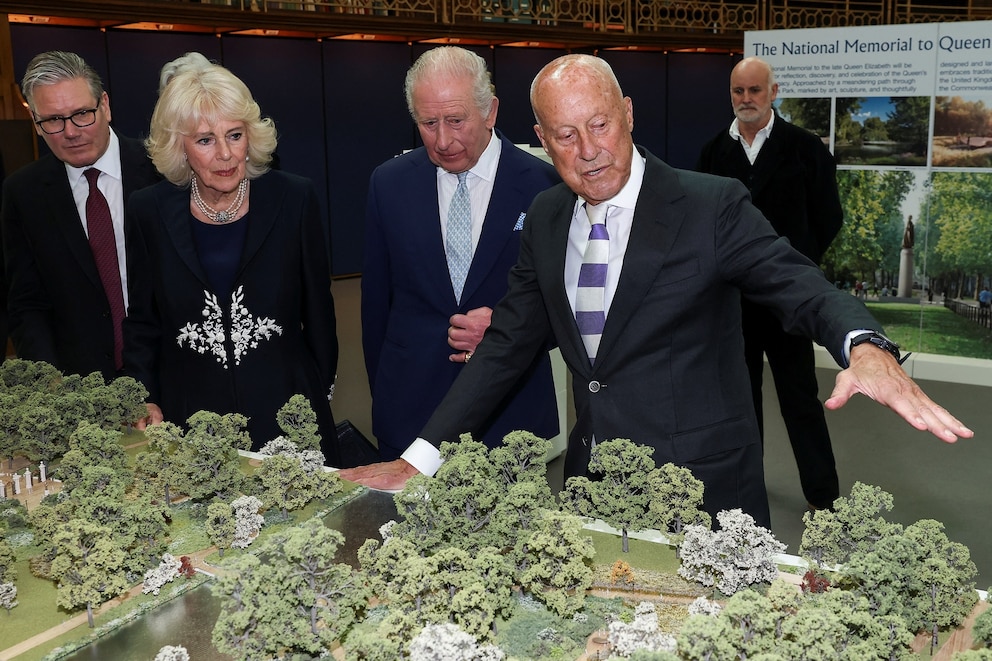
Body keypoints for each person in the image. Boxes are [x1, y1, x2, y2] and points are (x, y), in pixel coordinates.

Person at [340, 54, 972, 528]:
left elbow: (800, 285)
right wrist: (418, 459)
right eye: (565, 135)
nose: (588, 151)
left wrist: (863, 344)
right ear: (539, 133)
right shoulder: (548, 217)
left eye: (600, 125)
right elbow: (505, 346)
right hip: (593, 488)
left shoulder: (710, 205)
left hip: (702, 490)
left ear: (629, 114)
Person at [124, 54, 341, 462]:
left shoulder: (294, 197)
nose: (225, 154)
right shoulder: (147, 210)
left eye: (235, 135)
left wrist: (317, 391)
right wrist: (145, 397)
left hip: (285, 410)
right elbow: (142, 322)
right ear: (180, 148)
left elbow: (318, 309)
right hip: (192, 417)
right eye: (205, 140)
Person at [362, 46, 560, 460]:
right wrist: (385, 398)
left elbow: (569, 308)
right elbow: (376, 309)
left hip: (510, 414)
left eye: (455, 120)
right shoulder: (389, 184)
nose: (443, 140)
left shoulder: (546, 186)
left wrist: (507, 329)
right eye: (428, 123)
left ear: (490, 112)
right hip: (410, 411)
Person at [695, 56, 842, 511]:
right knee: (740, 404)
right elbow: (700, 223)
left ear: (773, 93)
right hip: (732, 304)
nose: (746, 100)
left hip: (787, 303)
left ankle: (825, 497)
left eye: (755, 91)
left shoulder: (805, 148)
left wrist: (797, 265)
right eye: (738, 91)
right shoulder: (713, 152)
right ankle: (745, 493)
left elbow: (829, 216)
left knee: (800, 399)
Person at [1, 51, 160, 380]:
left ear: (105, 105)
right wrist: (49, 382)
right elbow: (26, 302)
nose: (70, 132)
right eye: (53, 120)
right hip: (79, 387)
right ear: (37, 124)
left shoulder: (163, 170)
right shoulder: (23, 193)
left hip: (171, 372)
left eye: (82, 114)